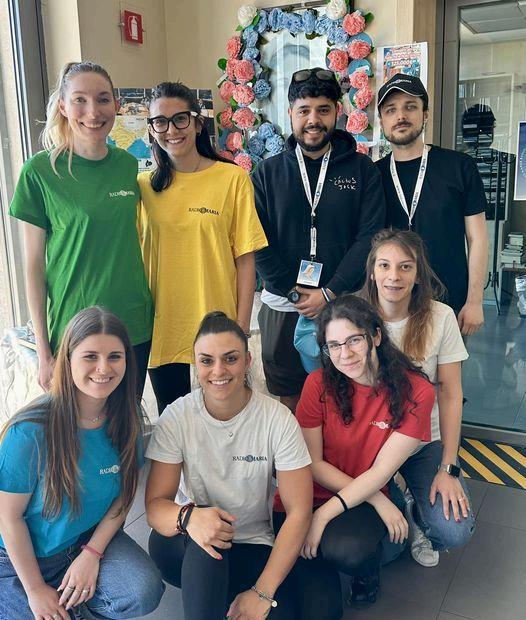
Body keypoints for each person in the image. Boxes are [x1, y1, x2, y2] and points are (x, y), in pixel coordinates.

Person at [273, 295, 435, 619]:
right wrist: (379, 500)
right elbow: (312, 463)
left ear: (376, 336)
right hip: (307, 495)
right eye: (333, 345)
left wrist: (323, 516)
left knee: (348, 550)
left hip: (359, 497)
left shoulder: (416, 391)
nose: (344, 354)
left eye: (354, 340)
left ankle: (367, 569)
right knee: (317, 608)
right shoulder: (317, 384)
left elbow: (380, 471)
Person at [0, 306, 164, 620]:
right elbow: (8, 518)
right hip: (15, 558)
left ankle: (75, 600)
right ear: (68, 359)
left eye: (115, 356)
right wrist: (35, 590)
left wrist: (92, 553)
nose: (103, 368)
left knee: (142, 590)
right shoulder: (29, 431)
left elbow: (125, 494)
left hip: (79, 541)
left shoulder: (128, 417)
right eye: (90, 356)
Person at [145, 311, 312, 620]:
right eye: (206, 361)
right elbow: (155, 507)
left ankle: (223, 597)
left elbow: (299, 511)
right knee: (208, 543)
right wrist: (189, 518)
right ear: (196, 364)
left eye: (230, 359)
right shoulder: (177, 417)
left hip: (253, 543)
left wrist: (262, 592)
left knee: (308, 609)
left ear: (247, 361)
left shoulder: (277, 419)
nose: (218, 370)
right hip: (185, 541)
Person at [9, 61, 153, 396]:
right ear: (62, 106)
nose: (93, 111)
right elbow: (33, 267)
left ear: (116, 104)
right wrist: (43, 349)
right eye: (80, 100)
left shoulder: (127, 165)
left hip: (133, 323)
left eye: (103, 99)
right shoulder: (39, 172)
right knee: (77, 424)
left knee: (127, 418)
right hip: (73, 327)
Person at [253, 67, 386, 413]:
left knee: (349, 394)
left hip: (346, 302)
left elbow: (369, 237)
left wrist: (330, 291)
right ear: (290, 113)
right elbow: (256, 241)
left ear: (337, 112)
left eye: (323, 110)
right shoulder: (266, 173)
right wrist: (295, 293)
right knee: (290, 400)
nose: (313, 120)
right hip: (284, 306)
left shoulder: (362, 170)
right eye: (304, 110)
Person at [138, 82, 268, 414]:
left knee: (225, 417)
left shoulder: (232, 179)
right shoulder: (143, 187)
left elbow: (245, 260)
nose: (171, 130)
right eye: (160, 122)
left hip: (218, 323)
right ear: (151, 130)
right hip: (164, 325)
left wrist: (241, 327)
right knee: (173, 421)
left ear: (197, 124)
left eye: (180, 119)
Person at [363, 229, 475, 567]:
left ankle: (417, 510)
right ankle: (402, 496)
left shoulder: (440, 317)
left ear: (418, 274)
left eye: (405, 267)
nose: (394, 276)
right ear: (372, 272)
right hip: (370, 444)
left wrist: (449, 467)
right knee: (380, 549)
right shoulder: (354, 315)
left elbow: (451, 394)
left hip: (424, 443)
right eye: (384, 265)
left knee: (454, 531)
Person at [376, 73, 488, 336]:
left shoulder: (459, 167)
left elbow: (478, 238)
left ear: (425, 114)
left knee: (447, 366)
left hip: (449, 303)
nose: (401, 116)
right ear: (381, 121)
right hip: (388, 305)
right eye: (391, 110)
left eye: (410, 107)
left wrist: (474, 301)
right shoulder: (373, 175)